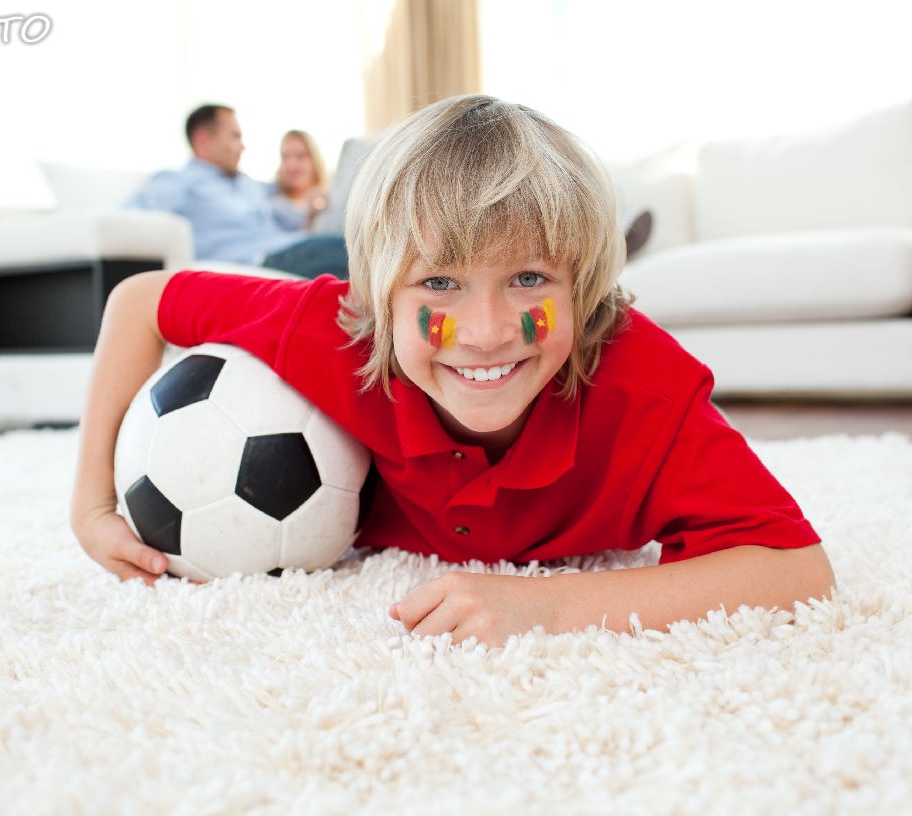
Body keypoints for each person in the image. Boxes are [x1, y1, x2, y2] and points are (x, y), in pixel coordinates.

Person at [74, 95, 834, 647]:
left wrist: (549, 608)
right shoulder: (330, 328)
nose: (486, 333)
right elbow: (141, 301)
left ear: (584, 286)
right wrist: (92, 505)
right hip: (325, 275)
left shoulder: (645, 388)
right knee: (298, 261)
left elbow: (797, 570)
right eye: (440, 283)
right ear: (378, 297)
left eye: (530, 278)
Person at [126, 104, 348, 279]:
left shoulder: (245, 183)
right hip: (260, 259)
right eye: (235, 136)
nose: (243, 146)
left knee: (355, 243)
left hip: (291, 245)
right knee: (352, 251)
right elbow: (126, 218)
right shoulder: (180, 182)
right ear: (203, 141)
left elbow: (288, 199)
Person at [268, 129, 330, 231]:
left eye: (300, 156)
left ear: (314, 161)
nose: (291, 166)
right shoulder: (272, 203)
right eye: (285, 157)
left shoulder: (330, 199)